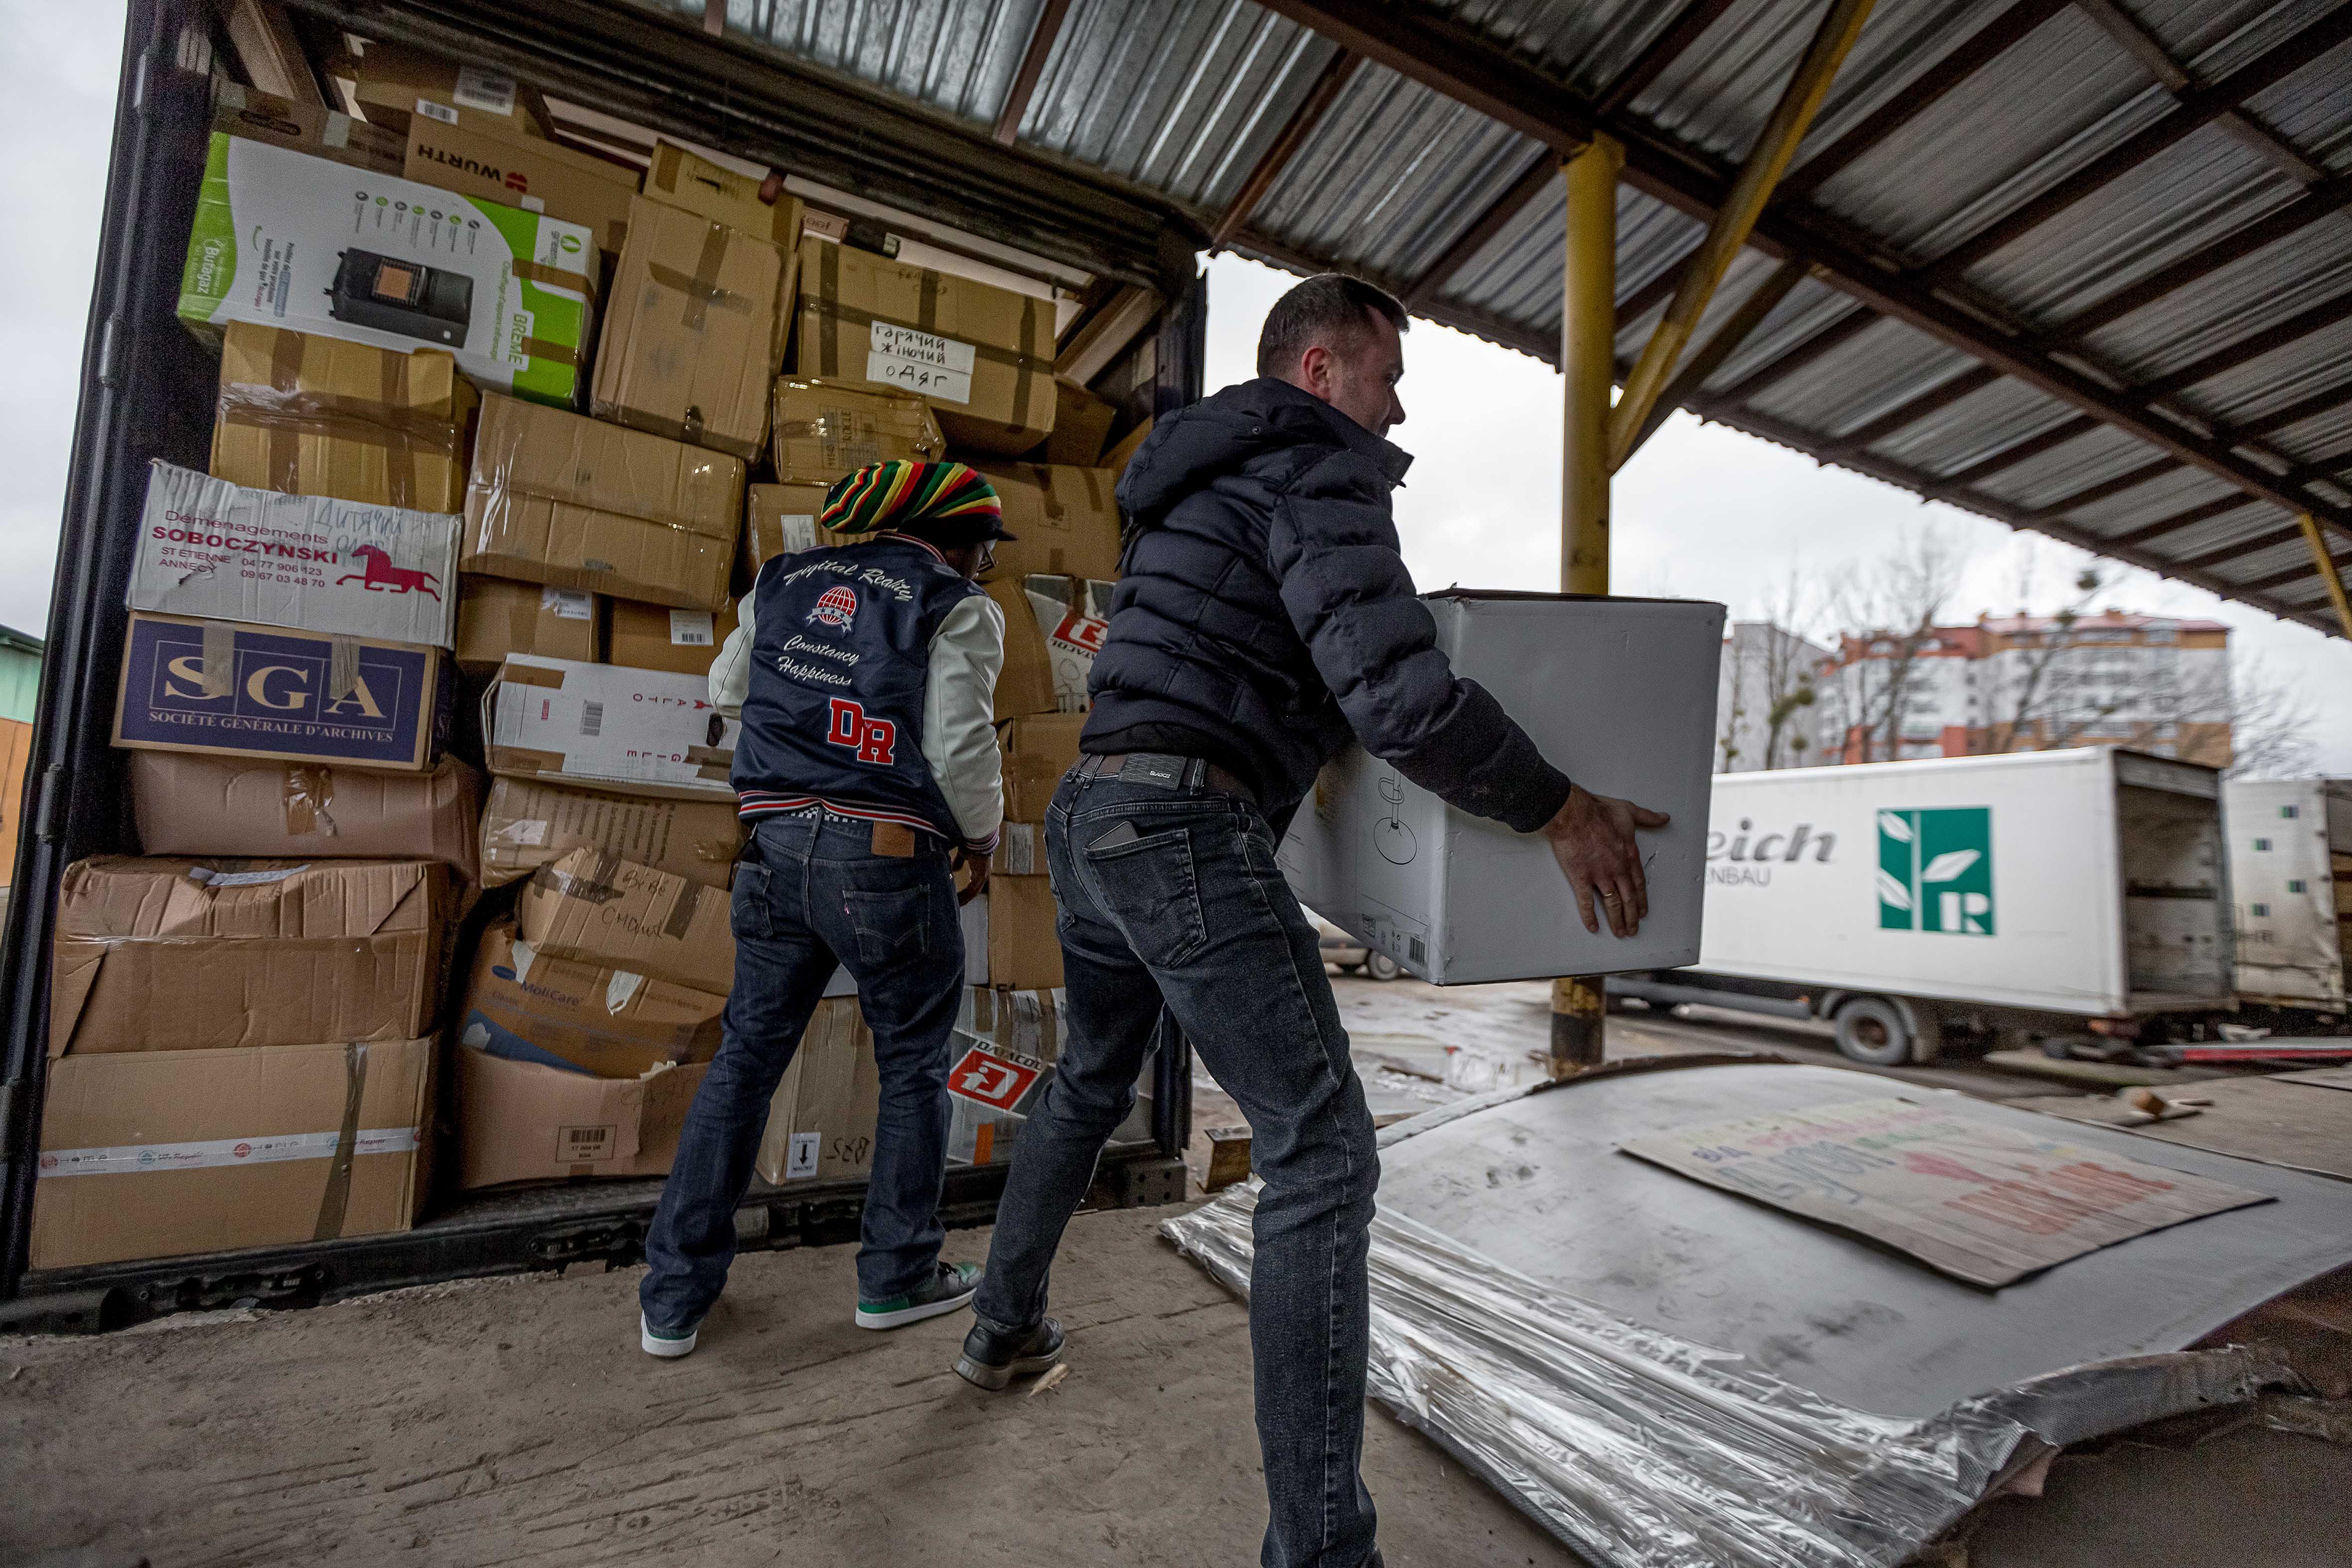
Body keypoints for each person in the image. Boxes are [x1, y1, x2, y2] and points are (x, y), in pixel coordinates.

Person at [954, 275, 1669, 1567]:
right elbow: (1397, 692)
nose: (1399, 410)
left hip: (1094, 811)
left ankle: (1003, 1325)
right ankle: (1325, 1550)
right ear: (1324, 370)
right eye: (1389, 378)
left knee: (1091, 1078)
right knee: (1323, 1153)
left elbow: (1273, 657)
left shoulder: (1198, 480)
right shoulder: (1319, 466)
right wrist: (1559, 805)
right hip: (1181, 823)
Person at [638, 459, 1014, 1356]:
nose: (984, 565)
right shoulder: (955, 605)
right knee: (913, 1065)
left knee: (745, 1061)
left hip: (772, 849)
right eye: (984, 549)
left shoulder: (784, 578)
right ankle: (897, 1277)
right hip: (882, 860)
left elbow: (727, 691)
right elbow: (958, 746)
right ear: (956, 539)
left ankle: (673, 1301)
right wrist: (984, 837)